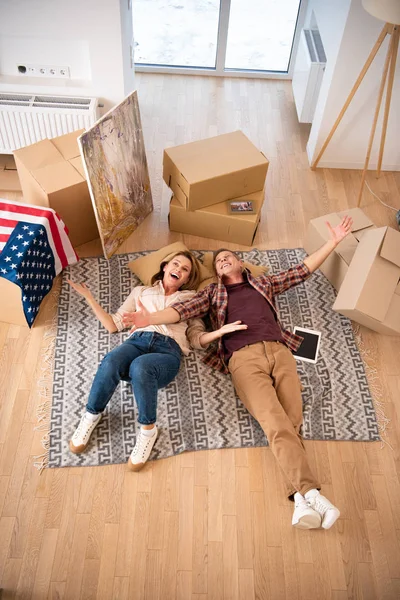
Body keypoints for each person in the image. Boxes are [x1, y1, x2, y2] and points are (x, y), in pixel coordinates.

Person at [122, 216, 353, 529]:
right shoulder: (210, 294)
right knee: (275, 422)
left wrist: (334, 241)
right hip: (244, 360)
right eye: (217, 262)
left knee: (291, 421)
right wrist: (149, 320)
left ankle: (300, 501)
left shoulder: (265, 283)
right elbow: (179, 312)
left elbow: (303, 270)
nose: (222, 261)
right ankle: (312, 492)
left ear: (242, 263)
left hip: (280, 351)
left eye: (227, 257)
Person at [67, 251, 245, 471]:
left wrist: (218, 333)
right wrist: (89, 298)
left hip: (168, 350)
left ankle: (148, 431)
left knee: (141, 367)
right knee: (112, 359)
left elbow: (196, 338)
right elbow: (113, 325)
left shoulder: (191, 298)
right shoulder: (141, 292)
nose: (178, 270)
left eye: (185, 269)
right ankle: (91, 416)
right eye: (175, 264)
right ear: (164, 267)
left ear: (187, 279)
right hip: (136, 341)